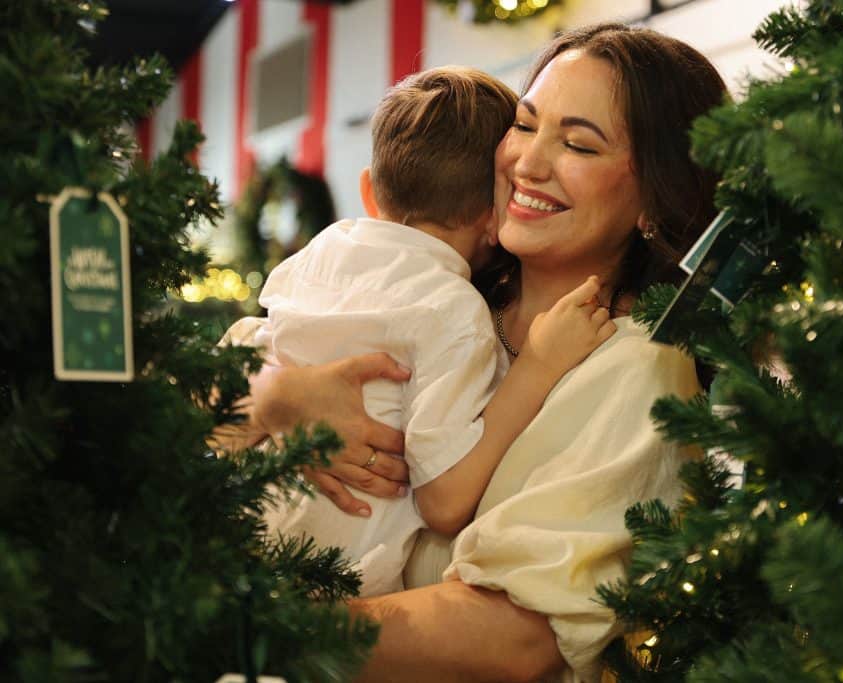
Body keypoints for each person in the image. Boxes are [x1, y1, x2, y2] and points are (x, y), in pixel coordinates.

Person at [246, 23, 727, 682]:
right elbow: (194, 401)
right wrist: (277, 394)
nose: (528, 163)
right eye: (526, 125)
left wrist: (254, 623)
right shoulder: (445, 287)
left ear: (655, 195)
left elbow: (514, 637)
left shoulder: (639, 367)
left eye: (579, 143)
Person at [220, 66, 617, 597]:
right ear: (493, 220)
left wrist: (273, 393)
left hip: (232, 536)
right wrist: (538, 368)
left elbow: (232, 370)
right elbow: (444, 500)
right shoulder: (453, 311)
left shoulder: (318, 254)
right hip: (335, 585)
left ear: (369, 189)